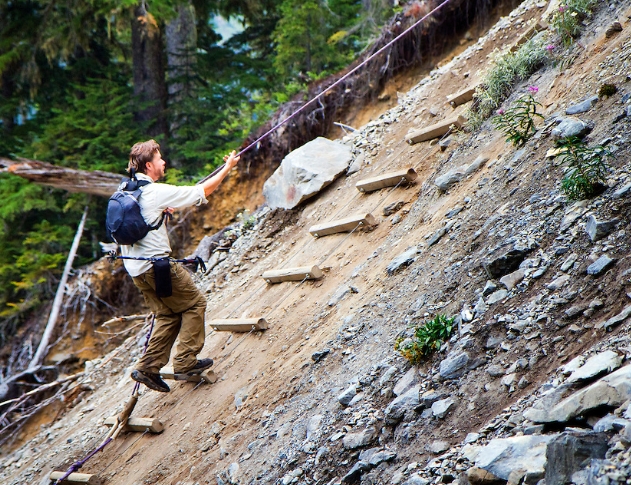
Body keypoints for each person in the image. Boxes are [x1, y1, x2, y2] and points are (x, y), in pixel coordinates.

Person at [121, 139, 239, 392]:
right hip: (157, 267)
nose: (164, 162)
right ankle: (185, 362)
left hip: (136, 270)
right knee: (195, 304)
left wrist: (161, 213)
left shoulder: (126, 190)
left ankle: (147, 368)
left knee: (167, 314)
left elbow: (140, 221)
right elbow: (202, 192)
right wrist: (227, 167)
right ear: (150, 165)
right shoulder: (154, 192)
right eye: (160, 158)